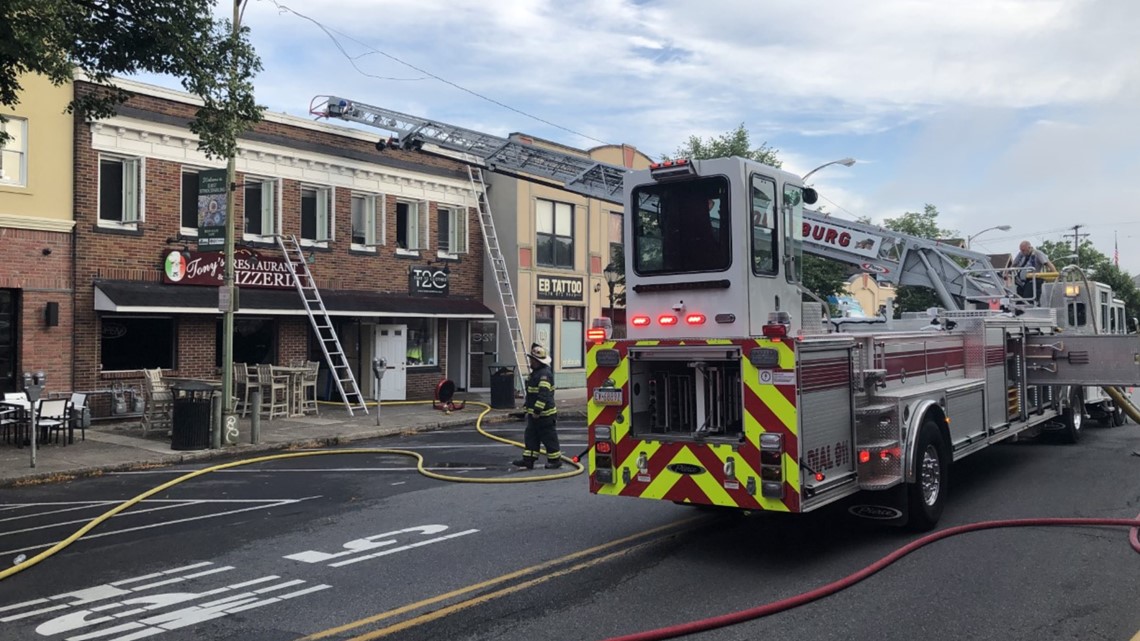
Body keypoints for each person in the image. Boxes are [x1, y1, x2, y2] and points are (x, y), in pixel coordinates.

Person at [512, 343, 561, 469]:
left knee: (549, 437)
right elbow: (531, 394)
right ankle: (528, 460)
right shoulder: (535, 373)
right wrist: (526, 409)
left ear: (538, 361)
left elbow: (543, 395)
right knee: (531, 437)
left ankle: (555, 460)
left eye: (532, 360)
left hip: (545, 415)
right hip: (535, 414)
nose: (530, 362)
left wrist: (537, 411)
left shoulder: (544, 375)